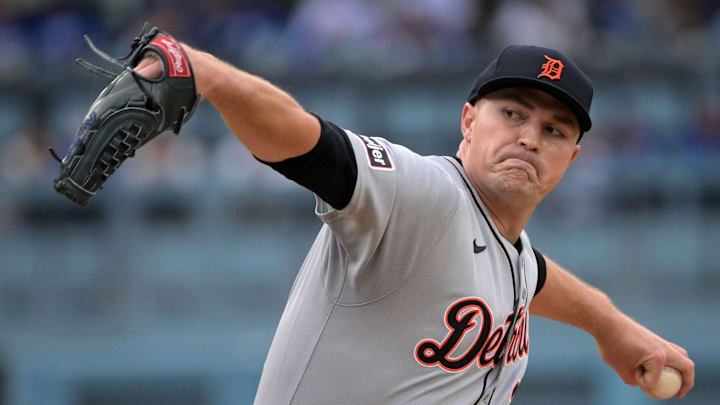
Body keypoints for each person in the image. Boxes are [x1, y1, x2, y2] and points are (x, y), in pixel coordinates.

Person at [136, 43, 694, 404]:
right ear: (469, 121)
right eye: (514, 114)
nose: (529, 137)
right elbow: (310, 145)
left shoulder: (507, 252)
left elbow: (533, 276)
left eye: (555, 130)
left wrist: (610, 326)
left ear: (571, 158)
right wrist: (205, 73)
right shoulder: (423, 193)